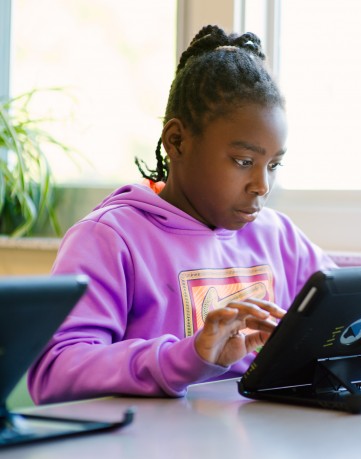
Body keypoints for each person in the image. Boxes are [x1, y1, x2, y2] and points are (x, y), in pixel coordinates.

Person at [27, 25, 338, 404]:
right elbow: (54, 372)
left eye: (273, 165)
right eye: (243, 161)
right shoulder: (110, 238)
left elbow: (335, 302)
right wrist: (186, 357)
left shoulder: (278, 236)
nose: (262, 185)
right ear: (177, 141)